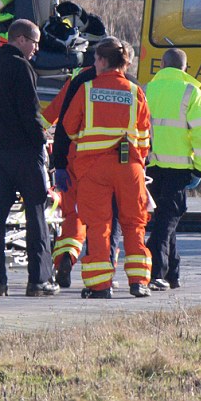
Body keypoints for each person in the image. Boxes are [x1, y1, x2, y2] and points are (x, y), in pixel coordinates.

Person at [0, 18, 59, 297]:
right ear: (20, 39)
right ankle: (38, 280)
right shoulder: (21, 68)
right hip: (23, 152)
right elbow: (30, 113)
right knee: (35, 212)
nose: (36, 49)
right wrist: (41, 142)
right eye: (34, 43)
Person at [62, 38, 152, 299]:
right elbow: (146, 136)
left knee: (99, 225)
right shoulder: (136, 92)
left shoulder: (87, 89)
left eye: (96, 59)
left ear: (102, 61)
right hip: (130, 167)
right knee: (135, 223)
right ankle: (139, 283)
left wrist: (87, 145)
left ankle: (100, 286)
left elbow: (69, 127)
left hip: (94, 167)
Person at [41, 43, 123, 289]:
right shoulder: (126, 86)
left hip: (75, 158)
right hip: (108, 162)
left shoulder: (77, 80)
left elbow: (53, 116)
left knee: (73, 214)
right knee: (107, 217)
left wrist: (56, 157)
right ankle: (106, 268)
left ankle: (65, 259)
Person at [145, 48, 201, 291]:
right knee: (166, 221)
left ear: (162, 64)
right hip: (180, 169)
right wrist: (200, 169)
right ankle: (157, 273)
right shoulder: (192, 93)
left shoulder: (147, 90)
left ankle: (172, 274)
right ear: (186, 67)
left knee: (165, 219)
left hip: (151, 166)